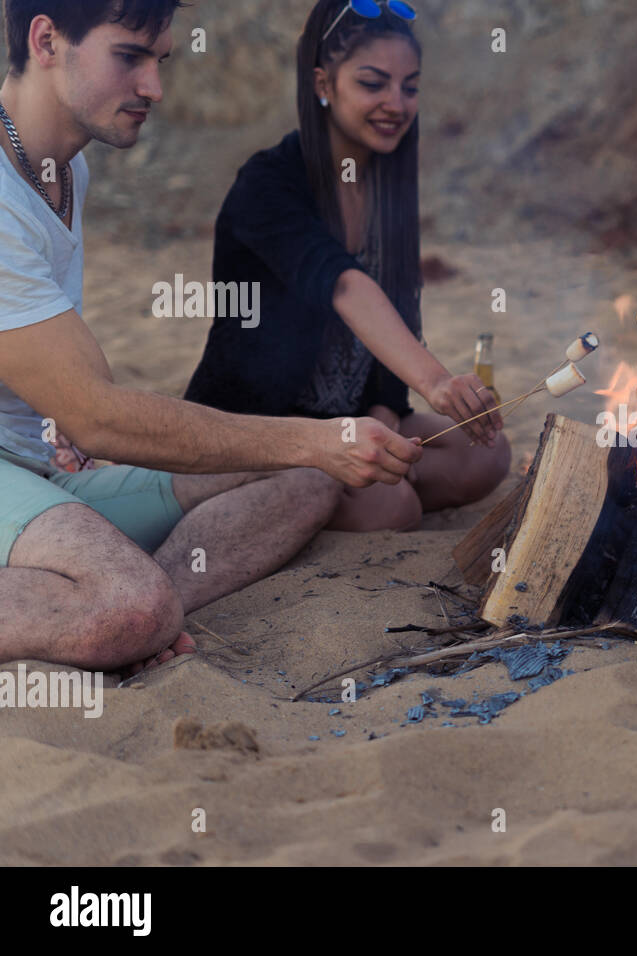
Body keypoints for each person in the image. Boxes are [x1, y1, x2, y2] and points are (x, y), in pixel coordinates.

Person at [0, 0, 421, 675]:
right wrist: (319, 435)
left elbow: (66, 390)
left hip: (34, 469)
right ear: (47, 39)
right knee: (124, 602)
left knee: (310, 476)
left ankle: (158, 618)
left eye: (160, 60)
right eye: (129, 57)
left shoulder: (64, 170)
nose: (154, 88)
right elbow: (99, 415)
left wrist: (319, 448)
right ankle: (135, 613)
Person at [184, 0, 510, 534]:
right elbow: (344, 285)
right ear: (323, 83)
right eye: (373, 83)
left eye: (410, 86)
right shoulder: (268, 184)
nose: (395, 103)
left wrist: (383, 414)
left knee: (488, 455)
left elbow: (398, 309)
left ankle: (369, 477)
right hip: (268, 429)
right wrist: (435, 381)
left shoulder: (386, 183)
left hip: (351, 420)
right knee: (394, 507)